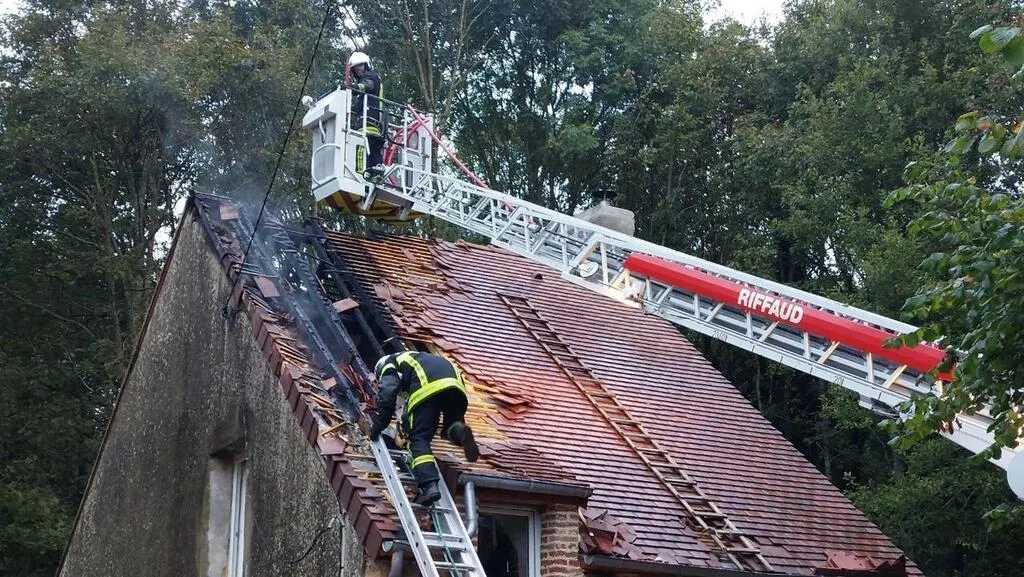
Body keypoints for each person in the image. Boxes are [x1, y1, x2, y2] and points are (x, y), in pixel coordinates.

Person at [370, 351, 480, 505]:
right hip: (456, 385)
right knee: (450, 427)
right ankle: (461, 432)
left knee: (418, 437)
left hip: (428, 385)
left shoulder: (389, 363)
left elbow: (388, 393)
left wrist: (379, 425)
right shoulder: (414, 357)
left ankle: (429, 486)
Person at [346, 51, 385, 177]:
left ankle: (366, 175)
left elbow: (367, 86)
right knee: (371, 154)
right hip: (368, 124)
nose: (358, 69)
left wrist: (352, 88)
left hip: (369, 124)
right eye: (355, 68)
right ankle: (373, 174)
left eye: (360, 65)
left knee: (362, 151)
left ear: (366, 65)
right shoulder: (365, 83)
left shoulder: (371, 76)